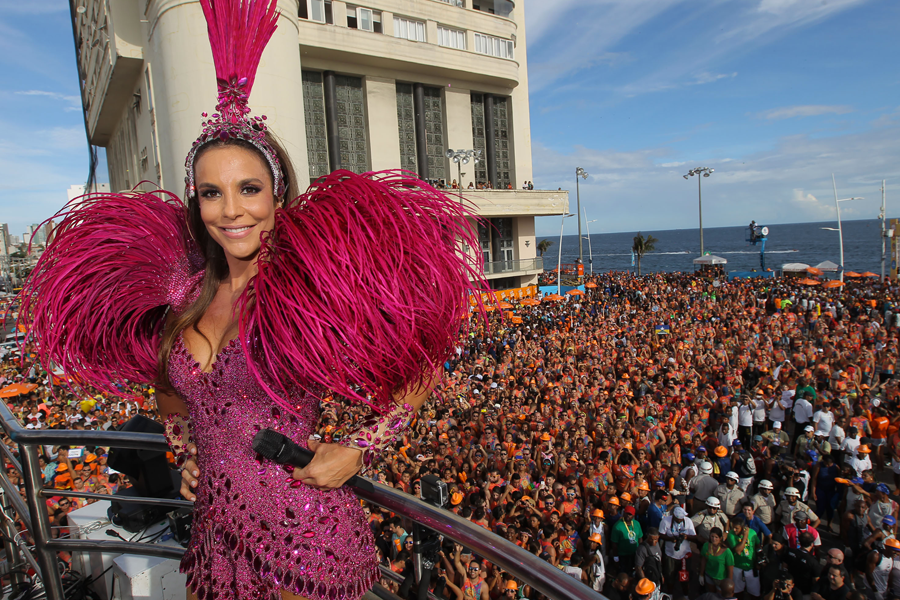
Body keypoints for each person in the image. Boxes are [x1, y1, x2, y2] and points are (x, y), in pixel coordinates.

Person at [19, 2, 483, 599]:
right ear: (195, 203)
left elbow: (420, 366)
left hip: (306, 539)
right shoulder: (180, 297)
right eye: (212, 192)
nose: (232, 210)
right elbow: (172, 398)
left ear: (278, 194)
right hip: (214, 539)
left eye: (249, 189)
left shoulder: (309, 294)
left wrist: (358, 450)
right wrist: (189, 455)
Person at [727, 515, 761, 599]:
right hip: (737, 567)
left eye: (737, 528)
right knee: (738, 592)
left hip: (751, 567)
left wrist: (758, 558)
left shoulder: (752, 532)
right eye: (733, 528)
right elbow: (738, 551)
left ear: (743, 527)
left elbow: (758, 545)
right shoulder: (731, 535)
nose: (734, 530)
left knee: (755, 593)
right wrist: (745, 537)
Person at [699, 527, 734, 594]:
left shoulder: (727, 551)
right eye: (712, 536)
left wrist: (729, 583)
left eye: (716, 537)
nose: (714, 539)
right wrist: (701, 574)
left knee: (720, 597)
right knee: (712, 595)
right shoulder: (706, 546)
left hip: (721, 579)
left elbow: (730, 570)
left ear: (720, 538)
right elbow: (703, 560)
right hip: (709, 575)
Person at [611, 506, 643, 575]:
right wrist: (616, 558)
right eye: (627, 513)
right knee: (623, 574)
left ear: (633, 515)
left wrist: (640, 554)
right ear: (623, 513)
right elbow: (614, 544)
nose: (628, 516)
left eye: (630, 514)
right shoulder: (617, 526)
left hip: (635, 555)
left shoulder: (637, 524)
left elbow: (640, 539)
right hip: (623, 556)